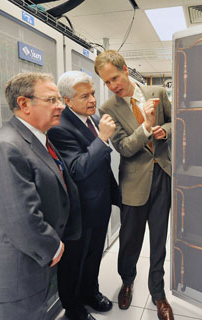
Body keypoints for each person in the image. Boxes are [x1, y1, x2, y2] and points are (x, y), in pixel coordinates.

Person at [0, 72, 81, 320]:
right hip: (17, 276)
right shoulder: (5, 148)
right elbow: (20, 218)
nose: (61, 106)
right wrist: (54, 248)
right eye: (52, 100)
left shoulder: (38, 139)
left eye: (59, 100)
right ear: (24, 104)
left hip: (34, 267)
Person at [94, 50, 173, 320]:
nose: (113, 85)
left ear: (125, 70)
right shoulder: (107, 109)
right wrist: (148, 127)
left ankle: (158, 293)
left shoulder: (158, 92)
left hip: (162, 174)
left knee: (160, 239)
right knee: (129, 241)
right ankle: (127, 282)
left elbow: (176, 122)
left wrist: (167, 130)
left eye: (115, 77)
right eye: (106, 82)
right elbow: (125, 148)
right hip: (132, 181)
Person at [47, 71, 121, 320]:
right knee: (73, 264)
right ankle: (73, 308)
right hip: (78, 211)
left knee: (93, 256)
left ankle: (91, 292)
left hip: (99, 205)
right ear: (67, 101)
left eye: (92, 93)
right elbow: (78, 169)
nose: (92, 100)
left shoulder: (93, 117)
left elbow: (101, 164)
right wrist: (102, 138)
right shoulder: (59, 127)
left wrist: (115, 195)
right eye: (85, 96)